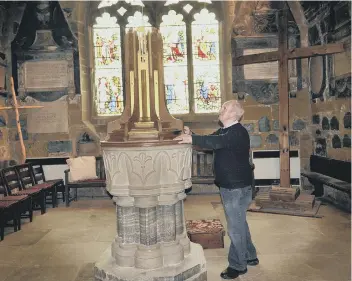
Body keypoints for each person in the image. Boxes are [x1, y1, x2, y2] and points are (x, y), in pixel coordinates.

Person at [174, 100, 258, 280]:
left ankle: (238, 265)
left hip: (236, 187)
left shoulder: (238, 132)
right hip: (231, 185)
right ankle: (250, 255)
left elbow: (218, 141)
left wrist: (192, 139)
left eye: (225, 108)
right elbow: (211, 142)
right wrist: (193, 135)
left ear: (235, 114)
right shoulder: (224, 131)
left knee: (235, 227)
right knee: (239, 222)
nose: (221, 110)